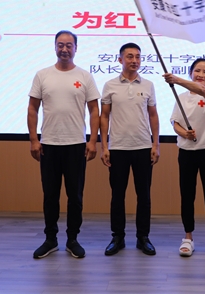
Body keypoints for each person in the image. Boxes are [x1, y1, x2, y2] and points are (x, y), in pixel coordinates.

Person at [28, 30, 100, 259]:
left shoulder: (85, 76)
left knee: (75, 196)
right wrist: (33, 139)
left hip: (76, 145)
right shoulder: (43, 75)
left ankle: (72, 239)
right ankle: (50, 239)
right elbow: (32, 108)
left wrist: (92, 140)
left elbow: (94, 110)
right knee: (50, 196)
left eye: (69, 45)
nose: (65, 49)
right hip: (49, 145)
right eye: (60, 45)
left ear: (76, 48)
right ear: (55, 47)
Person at [100, 43, 160, 256]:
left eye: (137, 57)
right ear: (120, 60)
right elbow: (104, 116)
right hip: (118, 148)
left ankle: (143, 238)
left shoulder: (149, 85)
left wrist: (155, 144)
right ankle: (117, 237)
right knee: (117, 195)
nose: (134, 60)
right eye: (129, 56)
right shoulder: (110, 85)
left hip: (143, 147)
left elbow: (153, 115)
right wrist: (104, 146)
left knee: (144, 195)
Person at [163, 58, 205, 259]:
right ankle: (188, 237)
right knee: (187, 194)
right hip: (187, 151)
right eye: (197, 71)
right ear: (191, 73)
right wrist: (185, 133)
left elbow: (202, 91)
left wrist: (176, 80)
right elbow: (175, 123)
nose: (201, 74)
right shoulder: (180, 97)